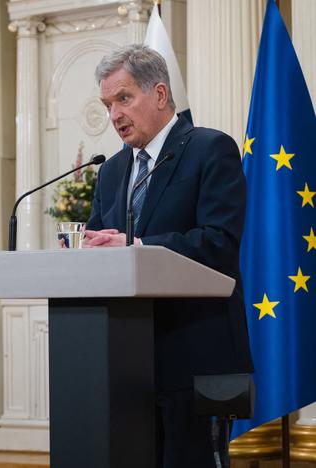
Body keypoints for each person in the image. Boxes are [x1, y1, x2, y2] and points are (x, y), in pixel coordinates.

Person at [85, 44, 253, 467]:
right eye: (108, 104)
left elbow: (218, 243)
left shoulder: (210, 149)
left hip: (195, 351)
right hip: (126, 357)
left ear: (159, 94)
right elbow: (98, 239)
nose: (114, 115)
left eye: (124, 99)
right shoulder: (111, 171)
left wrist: (139, 248)